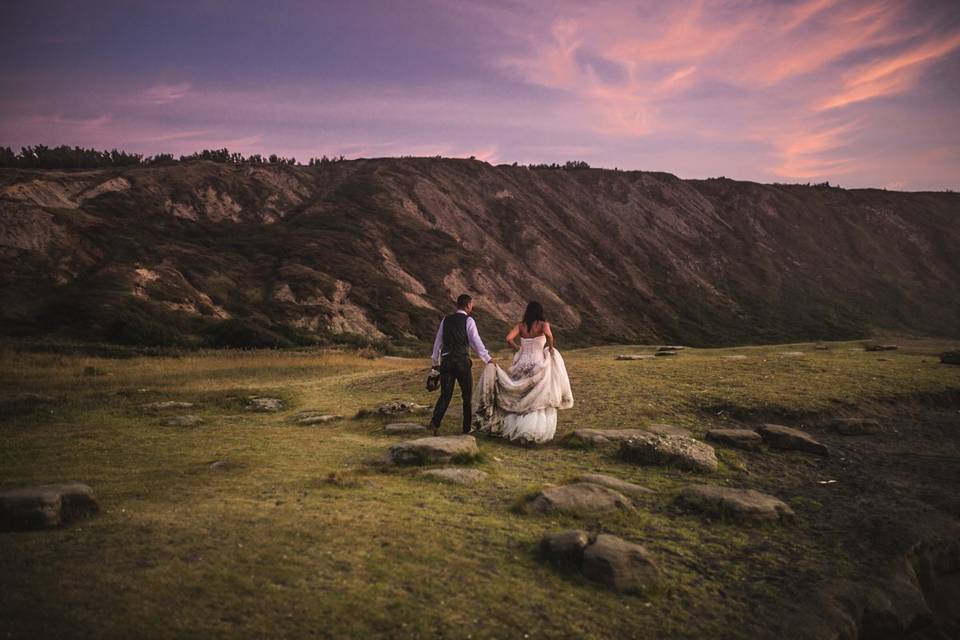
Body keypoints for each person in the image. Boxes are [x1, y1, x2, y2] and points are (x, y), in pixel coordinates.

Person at [472, 301, 573, 443]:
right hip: (538, 363)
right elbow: (549, 336)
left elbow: (508, 338)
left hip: (521, 364)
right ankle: (531, 429)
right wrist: (550, 348)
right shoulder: (543, 324)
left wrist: (518, 348)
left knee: (520, 395)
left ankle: (513, 426)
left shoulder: (521, 325)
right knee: (536, 396)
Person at [428, 293, 494, 436]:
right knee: (466, 396)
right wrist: (487, 358)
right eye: (472, 304)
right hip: (462, 362)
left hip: (446, 361)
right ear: (468, 305)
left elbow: (438, 343)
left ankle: (435, 421)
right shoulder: (469, 320)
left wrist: (435, 364)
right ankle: (466, 429)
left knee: (445, 394)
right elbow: (475, 342)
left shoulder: (446, 320)